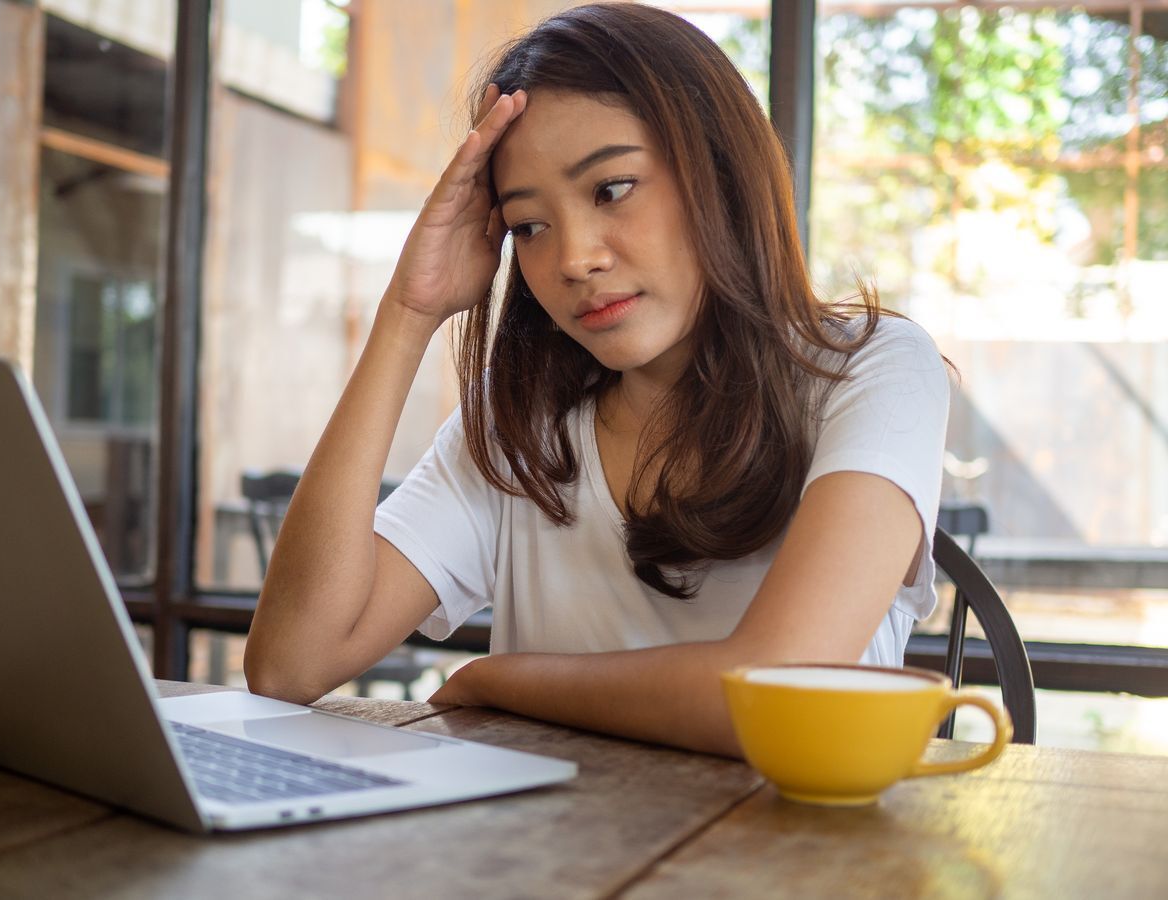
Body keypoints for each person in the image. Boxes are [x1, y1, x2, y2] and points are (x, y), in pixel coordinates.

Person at [244, 2, 949, 758]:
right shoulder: (524, 428)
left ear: (719, 171)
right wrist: (409, 313)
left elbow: (778, 689)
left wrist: (501, 680)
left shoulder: (872, 369)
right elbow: (291, 664)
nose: (573, 258)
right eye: (529, 226)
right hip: (557, 864)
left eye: (611, 189)